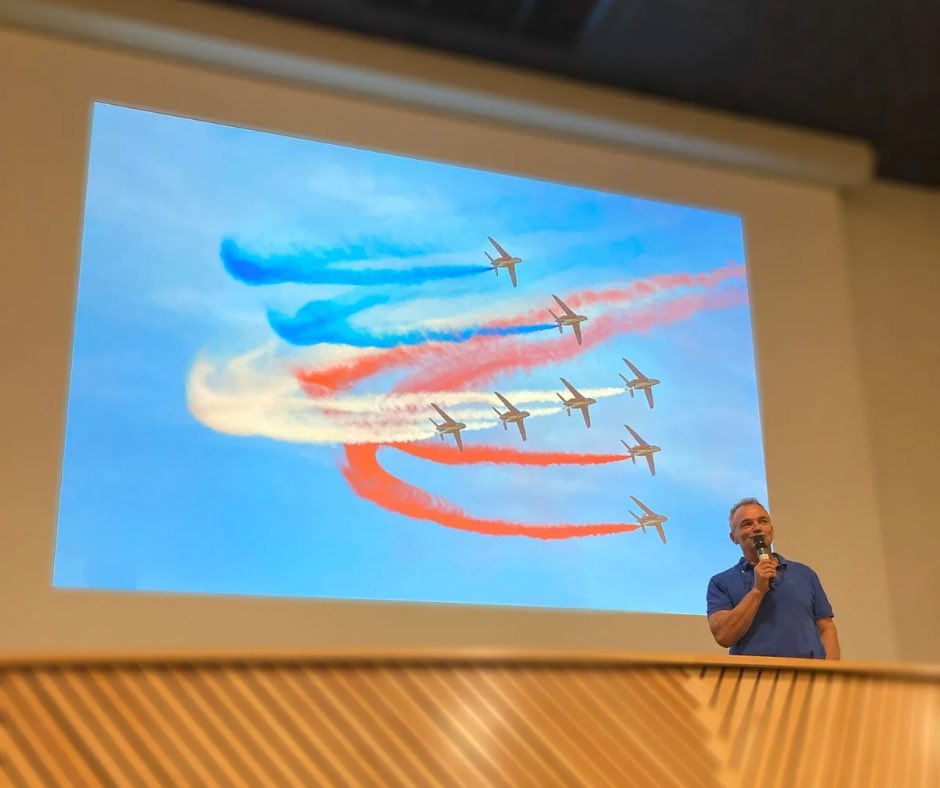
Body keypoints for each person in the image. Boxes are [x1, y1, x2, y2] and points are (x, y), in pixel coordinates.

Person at [706, 498, 840, 659]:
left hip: (807, 677)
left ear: (772, 530)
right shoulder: (721, 582)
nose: (757, 528)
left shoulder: (805, 574)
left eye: (762, 521)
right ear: (733, 537)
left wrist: (830, 675)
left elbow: (826, 628)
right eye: (747, 524)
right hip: (753, 678)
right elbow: (723, 636)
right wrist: (757, 590)